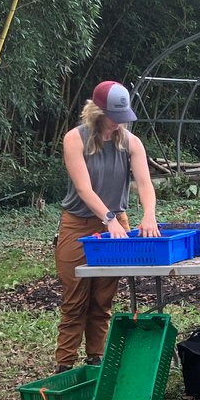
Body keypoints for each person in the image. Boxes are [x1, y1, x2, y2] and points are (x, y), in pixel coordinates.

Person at [54, 80, 160, 372]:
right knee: (75, 298)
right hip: (79, 223)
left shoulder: (131, 142)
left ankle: (96, 360)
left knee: (103, 297)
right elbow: (84, 189)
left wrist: (148, 214)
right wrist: (109, 219)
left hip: (116, 222)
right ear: (98, 112)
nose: (120, 123)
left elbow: (144, 183)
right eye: (116, 117)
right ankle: (65, 366)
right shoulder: (75, 139)